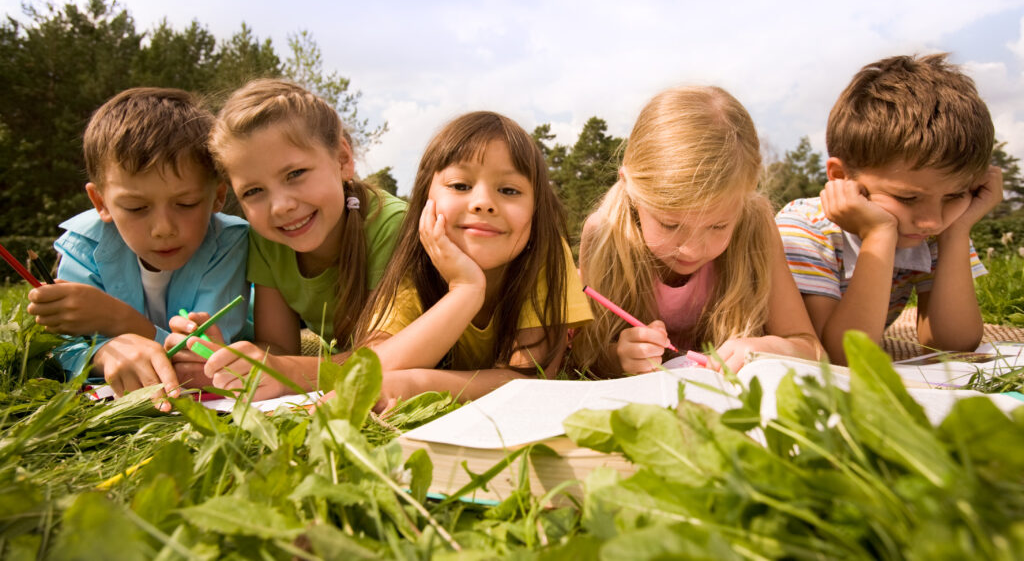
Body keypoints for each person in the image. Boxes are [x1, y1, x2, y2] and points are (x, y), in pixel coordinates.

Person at [167, 78, 406, 397]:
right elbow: (278, 346)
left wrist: (286, 372)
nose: (280, 207)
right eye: (253, 192)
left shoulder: (391, 225)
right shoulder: (268, 239)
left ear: (342, 160)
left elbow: (389, 358)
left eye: (295, 174)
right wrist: (225, 360)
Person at [571, 86, 821, 377]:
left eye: (718, 226)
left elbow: (812, 349)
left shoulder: (756, 225)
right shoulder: (605, 233)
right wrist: (618, 358)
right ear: (631, 189)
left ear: (745, 199)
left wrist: (772, 348)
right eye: (670, 224)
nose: (691, 249)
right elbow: (585, 354)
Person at [26, 88, 251, 405]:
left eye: (185, 203)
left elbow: (203, 355)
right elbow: (59, 348)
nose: (163, 229)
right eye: (135, 208)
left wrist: (118, 321)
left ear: (217, 196)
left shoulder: (230, 242)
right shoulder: (83, 244)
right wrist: (103, 354)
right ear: (100, 202)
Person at [353, 111, 593, 405]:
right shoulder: (415, 266)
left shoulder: (546, 256)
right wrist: (466, 290)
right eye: (460, 186)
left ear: (536, 210)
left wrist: (417, 384)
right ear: (425, 199)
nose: (483, 203)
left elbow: (531, 378)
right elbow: (368, 374)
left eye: (508, 190)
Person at [775, 54, 1001, 364]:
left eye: (954, 195)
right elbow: (838, 356)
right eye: (907, 198)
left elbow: (953, 344)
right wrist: (879, 235)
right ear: (842, 177)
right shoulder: (804, 229)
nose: (932, 220)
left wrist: (957, 232)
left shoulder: (937, 227)